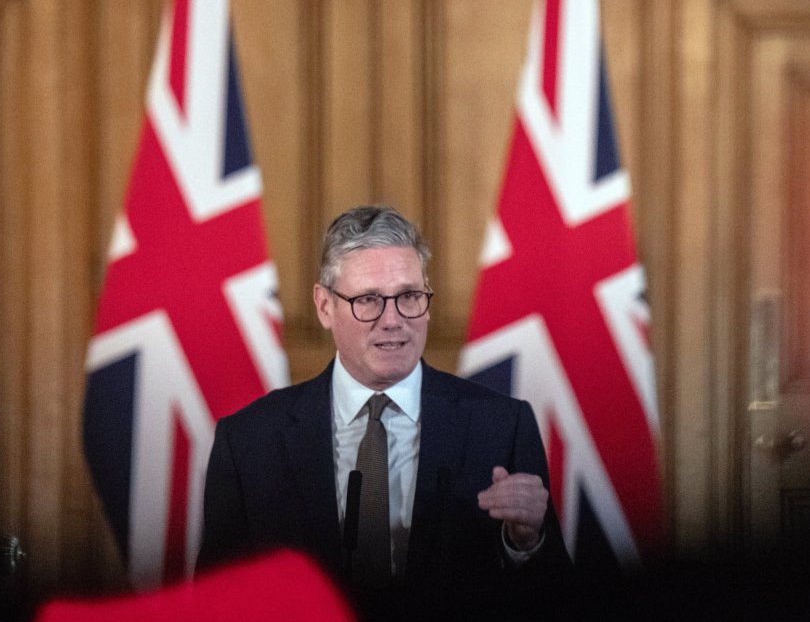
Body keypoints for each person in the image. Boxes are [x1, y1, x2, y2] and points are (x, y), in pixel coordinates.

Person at [198, 205, 565, 589]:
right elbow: (218, 607)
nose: (393, 319)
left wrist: (528, 543)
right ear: (325, 306)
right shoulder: (249, 442)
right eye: (368, 300)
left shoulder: (502, 427)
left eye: (408, 296)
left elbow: (558, 610)